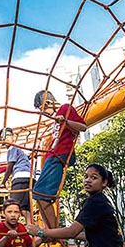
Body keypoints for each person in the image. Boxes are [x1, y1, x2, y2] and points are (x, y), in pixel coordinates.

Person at [32, 91, 87, 229]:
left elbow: (83, 127)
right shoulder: (56, 117)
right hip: (53, 155)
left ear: (48, 103)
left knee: (41, 193)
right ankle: (51, 231)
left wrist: (65, 121)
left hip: (59, 155)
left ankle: (53, 232)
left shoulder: (65, 108)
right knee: (37, 194)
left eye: (43, 108)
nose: (43, 113)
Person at [0, 127, 34, 221]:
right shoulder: (19, 150)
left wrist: (3, 182)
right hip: (29, 178)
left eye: (7, 135)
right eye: (2, 137)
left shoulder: (12, 148)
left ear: (13, 137)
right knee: (25, 208)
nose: (5, 138)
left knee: (11, 205)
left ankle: (11, 227)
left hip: (20, 177)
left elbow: (10, 166)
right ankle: (29, 225)